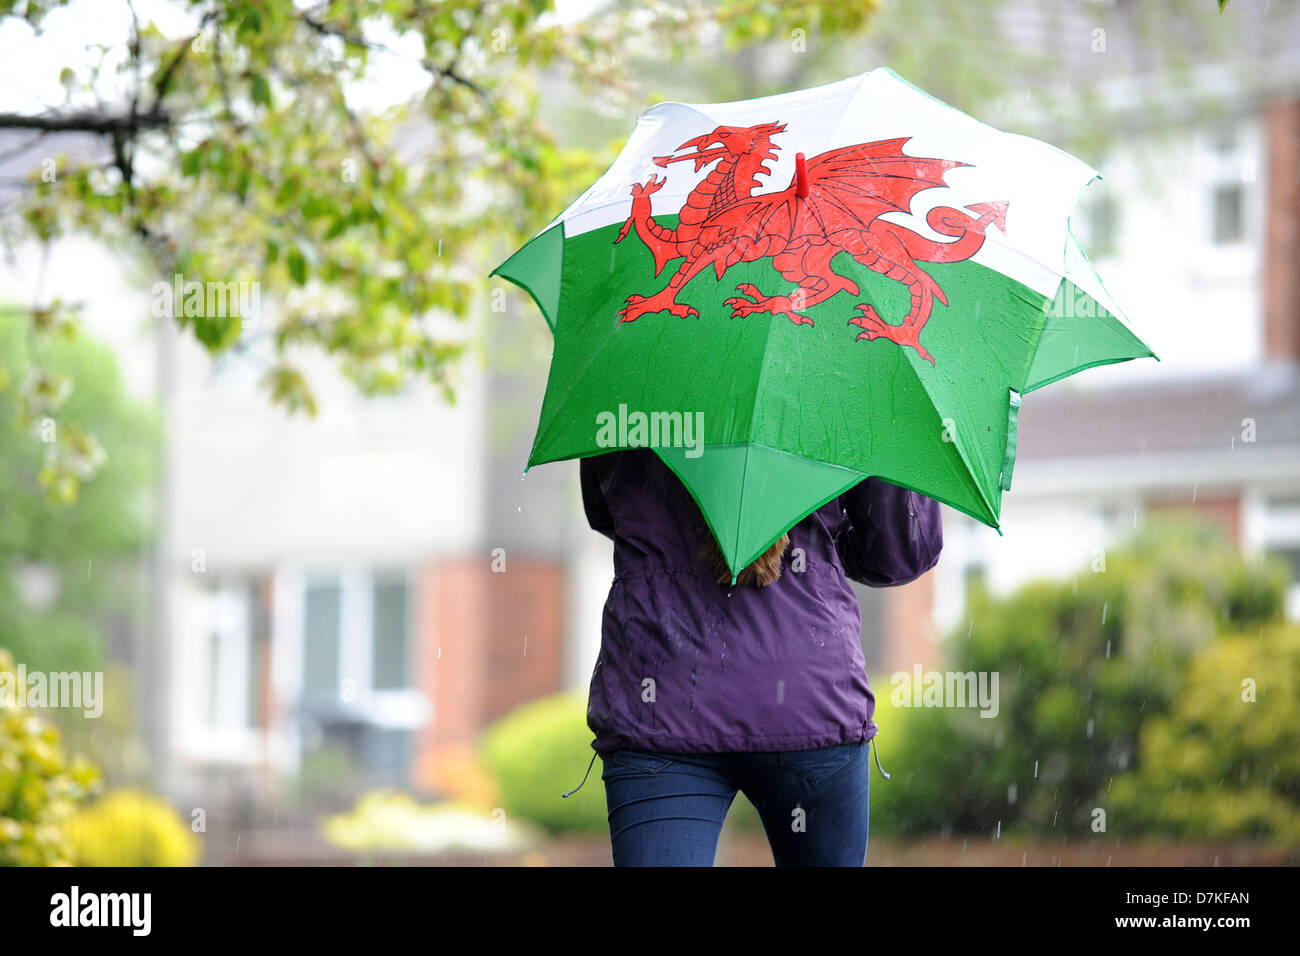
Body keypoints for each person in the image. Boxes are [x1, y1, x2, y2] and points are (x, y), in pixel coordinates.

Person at [565, 446, 943, 867]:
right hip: (809, 695)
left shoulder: (629, 382)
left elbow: (605, 511)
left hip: (662, 696)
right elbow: (899, 551)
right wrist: (823, 541)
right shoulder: (842, 384)